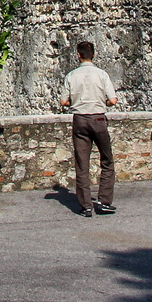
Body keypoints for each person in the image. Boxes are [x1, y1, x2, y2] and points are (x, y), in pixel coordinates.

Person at [58, 40, 117, 216]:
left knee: (82, 164)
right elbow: (113, 100)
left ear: (78, 55)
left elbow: (63, 101)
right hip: (98, 117)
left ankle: (86, 206)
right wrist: (101, 102)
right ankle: (104, 201)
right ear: (94, 55)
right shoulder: (101, 74)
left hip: (80, 119)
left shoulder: (71, 76)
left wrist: (75, 102)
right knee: (107, 160)